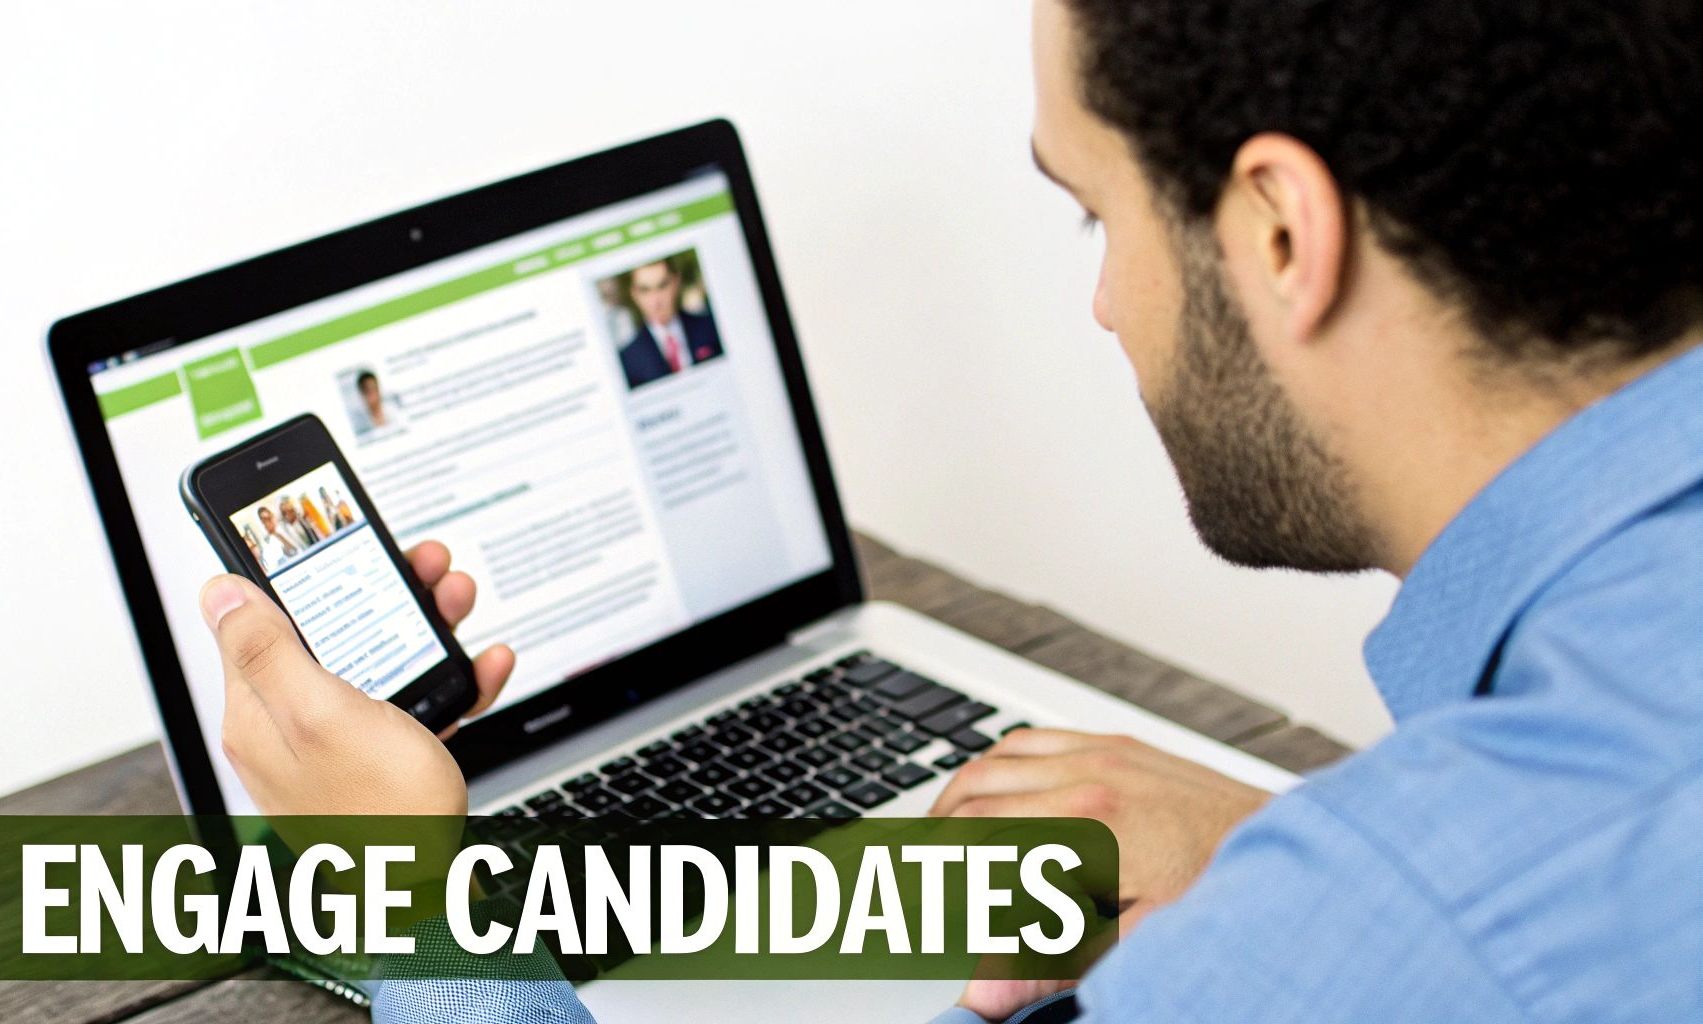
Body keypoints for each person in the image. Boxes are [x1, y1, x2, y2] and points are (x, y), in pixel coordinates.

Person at [199, 0, 1702, 1020]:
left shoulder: (1365, 941)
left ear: (1280, 232)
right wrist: (1281, 845)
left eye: (1095, 210)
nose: (1104, 304)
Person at [616, 258, 724, 389]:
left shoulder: (711, 327)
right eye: (645, 290)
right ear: (634, 294)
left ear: (675, 282)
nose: (655, 301)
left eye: (662, 286)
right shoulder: (627, 360)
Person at [252, 504, 299, 572]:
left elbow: (297, 549)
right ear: (263, 523)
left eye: (270, 517)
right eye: (265, 520)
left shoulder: (286, 529)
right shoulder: (268, 546)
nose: (269, 522)